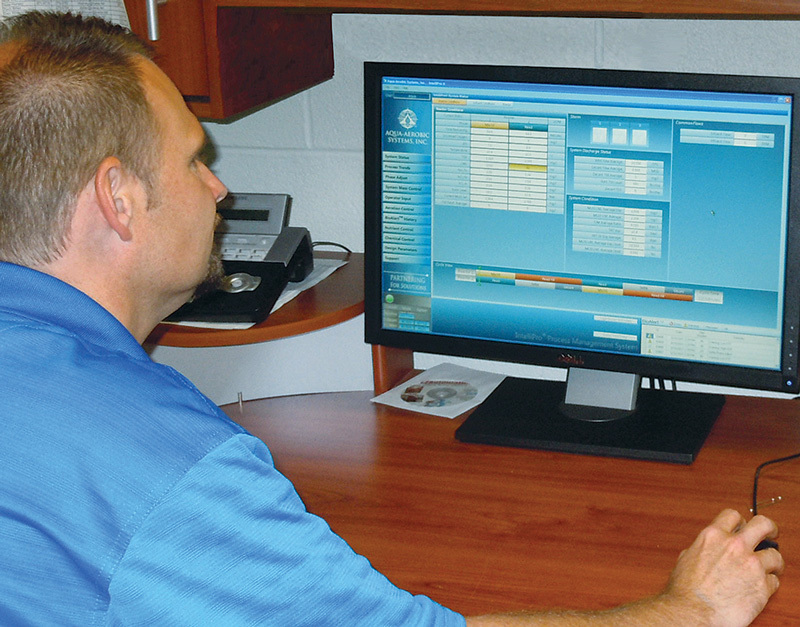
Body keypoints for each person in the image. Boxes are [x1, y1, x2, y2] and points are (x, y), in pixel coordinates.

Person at [0, 11, 784, 626]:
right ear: (118, 198)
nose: (218, 190)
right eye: (193, 159)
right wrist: (692, 608)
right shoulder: (167, 473)